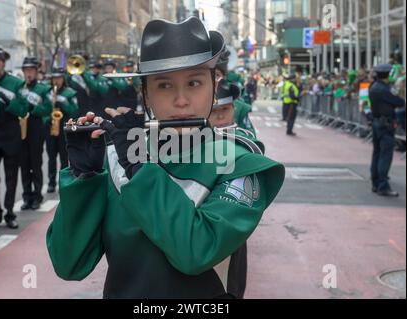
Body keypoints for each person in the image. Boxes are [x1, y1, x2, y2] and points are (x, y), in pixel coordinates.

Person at [47, 17, 284, 299]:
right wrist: (83, 179)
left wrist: (139, 168)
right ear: (146, 95)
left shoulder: (239, 162)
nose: (181, 100)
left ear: (213, 84)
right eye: (164, 86)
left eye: (194, 82)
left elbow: (196, 251)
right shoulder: (117, 158)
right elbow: (69, 264)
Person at [0, 48, 28, 229]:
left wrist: (8, 101)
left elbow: (23, 110)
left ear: (4, 62)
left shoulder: (16, 83)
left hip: (10, 135)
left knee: (11, 176)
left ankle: (9, 213)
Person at [19, 57, 52, 210]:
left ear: (36, 72)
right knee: (24, 165)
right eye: (26, 71)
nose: (29, 73)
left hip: (36, 129)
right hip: (21, 130)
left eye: (31, 70)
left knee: (36, 164)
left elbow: (48, 108)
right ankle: (27, 196)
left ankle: (37, 196)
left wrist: (33, 109)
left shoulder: (43, 88)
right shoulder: (19, 87)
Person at [369, 63, 405, 197]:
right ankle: (383, 186)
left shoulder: (373, 87)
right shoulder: (385, 89)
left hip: (376, 122)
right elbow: (399, 101)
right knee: (385, 155)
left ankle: (375, 182)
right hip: (386, 124)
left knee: (377, 153)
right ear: (387, 75)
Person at [44, 67, 79, 193]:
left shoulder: (70, 92)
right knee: (51, 157)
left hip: (64, 128)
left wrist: (63, 102)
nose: (56, 81)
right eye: (54, 78)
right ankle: (51, 182)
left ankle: (63, 181)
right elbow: (42, 110)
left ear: (63, 79)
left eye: (58, 78)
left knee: (64, 157)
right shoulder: (48, 92)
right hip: (51, 128)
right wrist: (47, 119)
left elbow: (75, 110)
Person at [210, 79, 265, 154]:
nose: (220, 116)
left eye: (225, 109)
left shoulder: (247, 143)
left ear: (234, 109)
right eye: (213, 111)